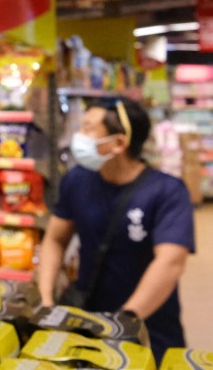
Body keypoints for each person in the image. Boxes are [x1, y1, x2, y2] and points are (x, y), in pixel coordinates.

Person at [38, 98, 194, 361]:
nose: (79, 137)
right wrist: (45, 299)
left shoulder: (168, 191)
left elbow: (170, 262)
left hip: (148, 326)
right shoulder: (76, 180)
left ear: (119, 143)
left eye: (88, 129)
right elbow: (55, 239)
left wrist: (126, 320)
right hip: (87, 319)